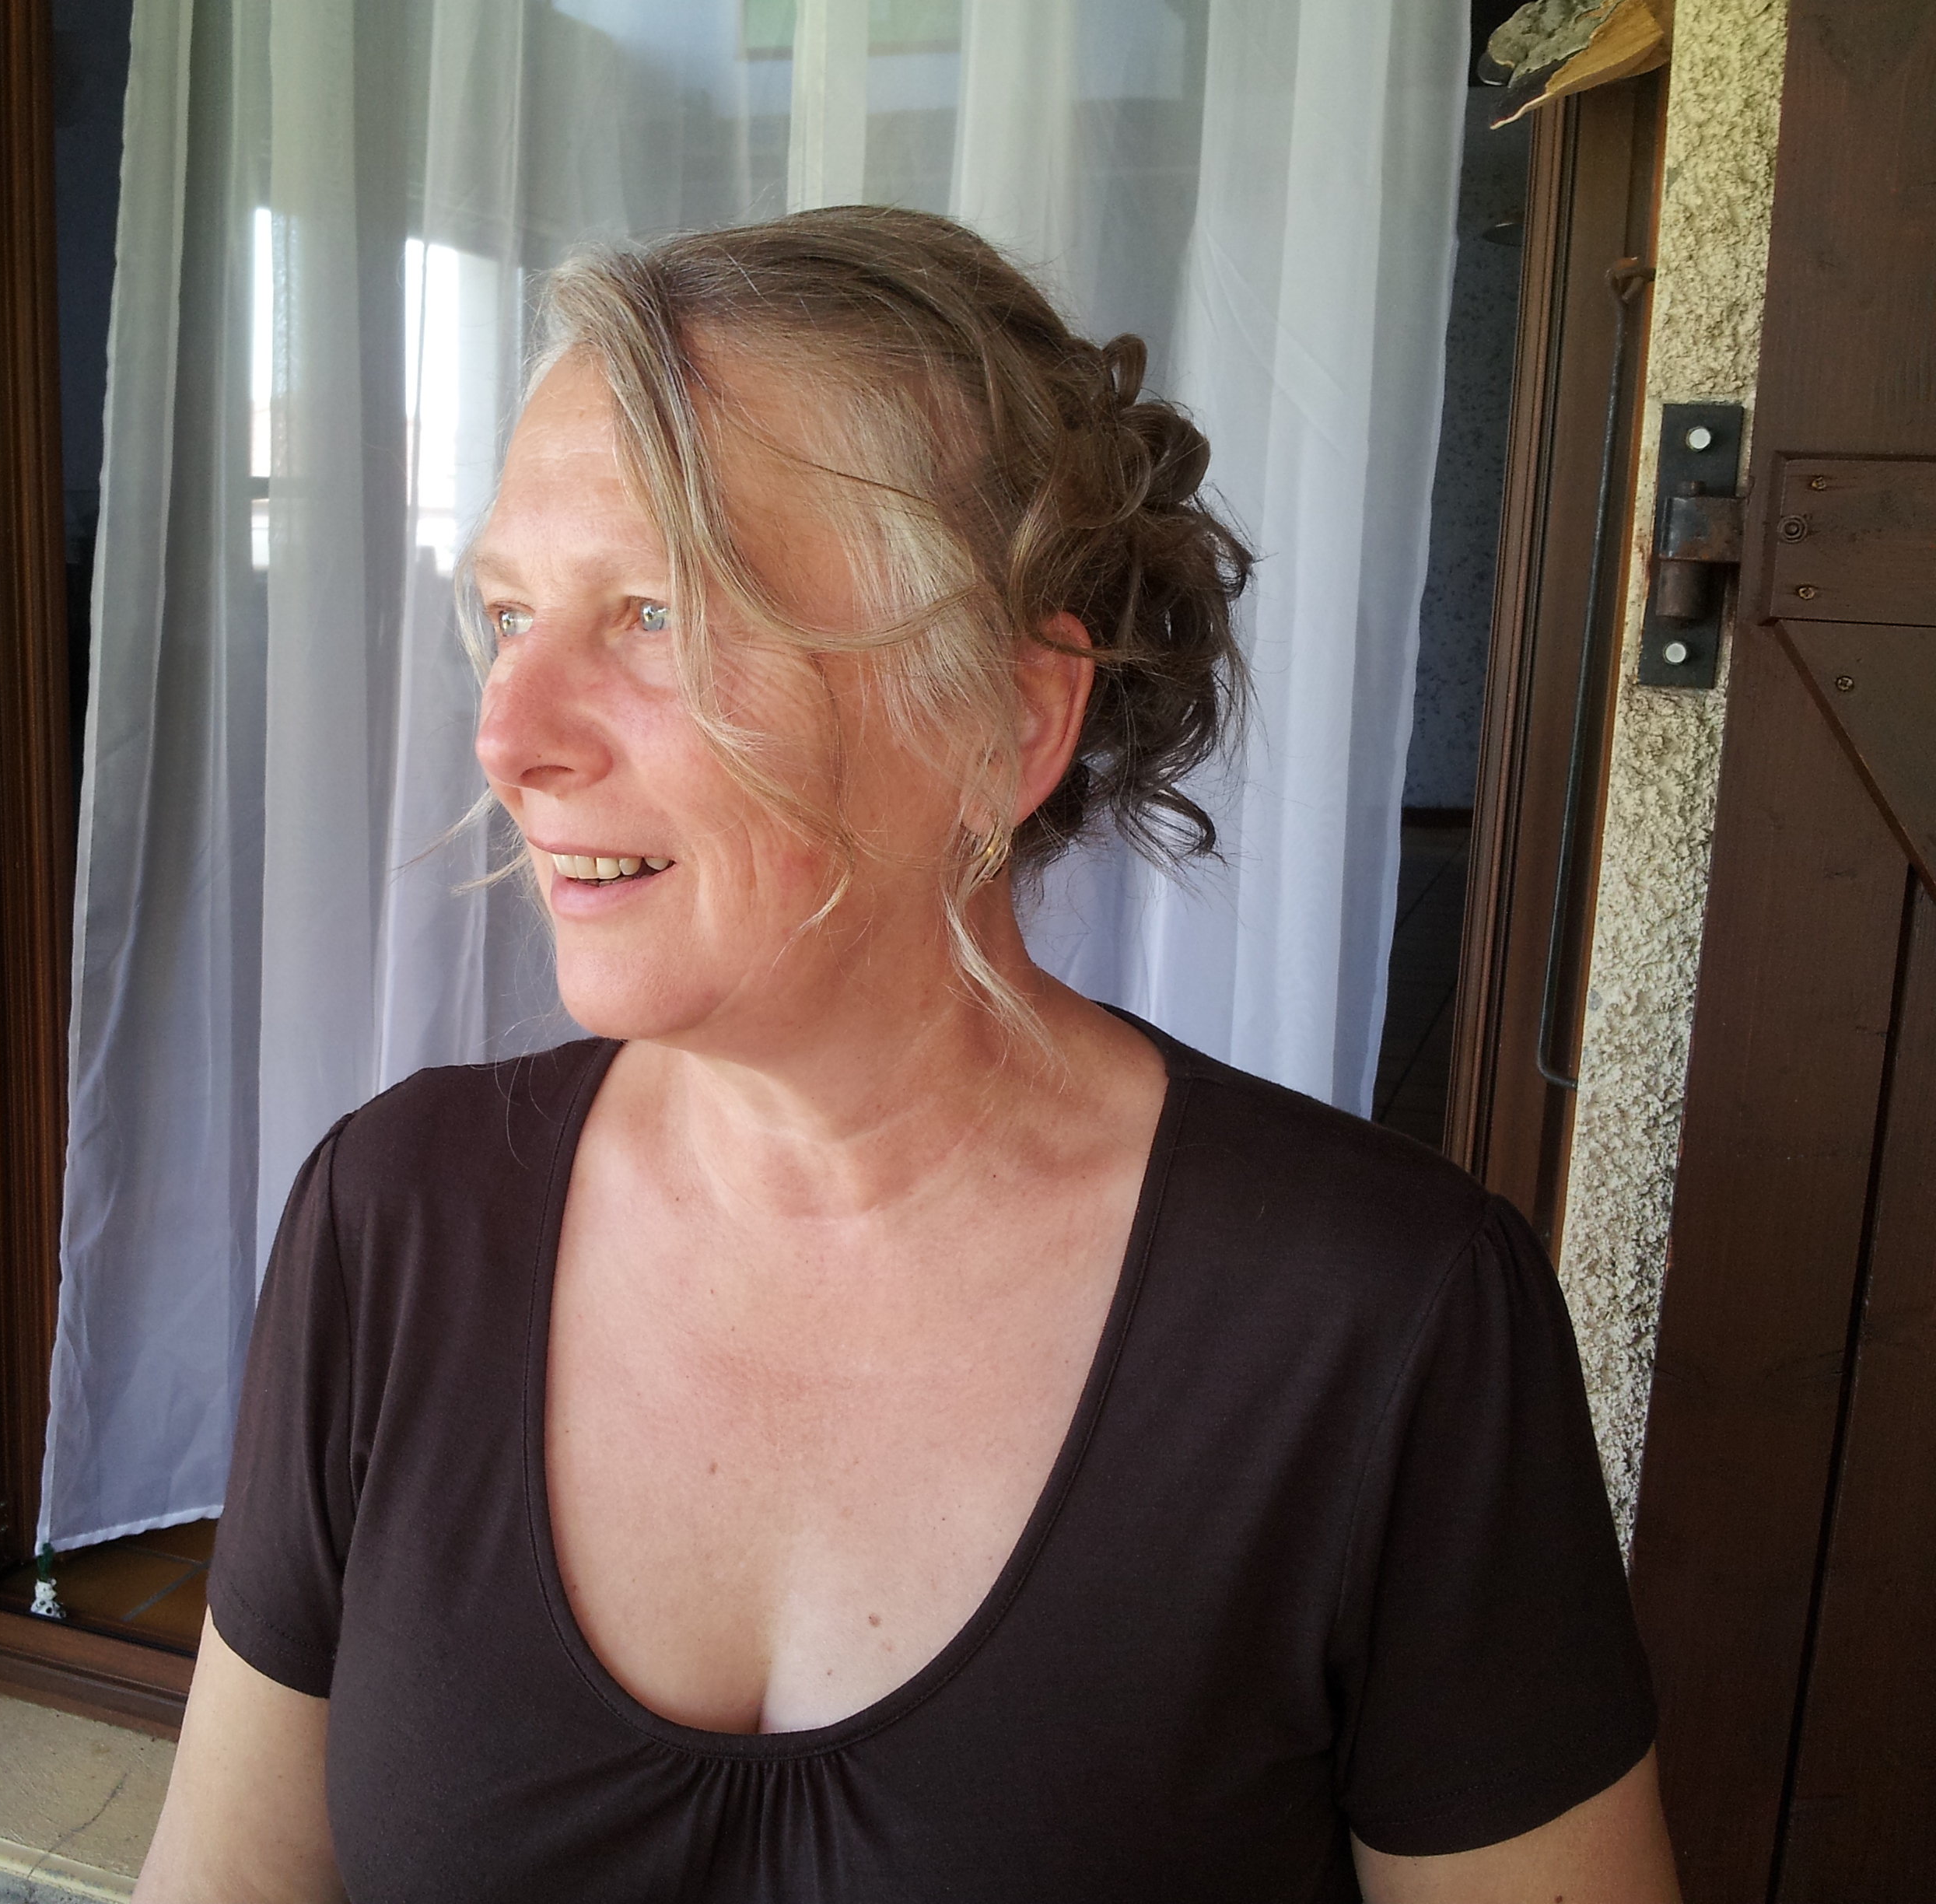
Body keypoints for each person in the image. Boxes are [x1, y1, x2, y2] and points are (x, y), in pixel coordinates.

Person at [135, 207, 1677, 1903]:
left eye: (657, 613)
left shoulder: (1380, 1321)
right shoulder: (394, 1219)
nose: (511, 738)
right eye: (508, 613)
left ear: (1008, 717)